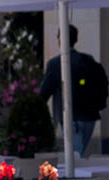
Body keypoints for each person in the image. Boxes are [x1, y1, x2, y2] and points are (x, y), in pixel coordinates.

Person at [38, 25, 109, 158]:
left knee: (75, 157)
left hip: (70, 117)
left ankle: (74, 178)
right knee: (78, 154)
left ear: (60, 39)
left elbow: (44, 93)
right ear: (75, 39)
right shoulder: (88, 60)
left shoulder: (55, 64)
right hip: (89, 116)